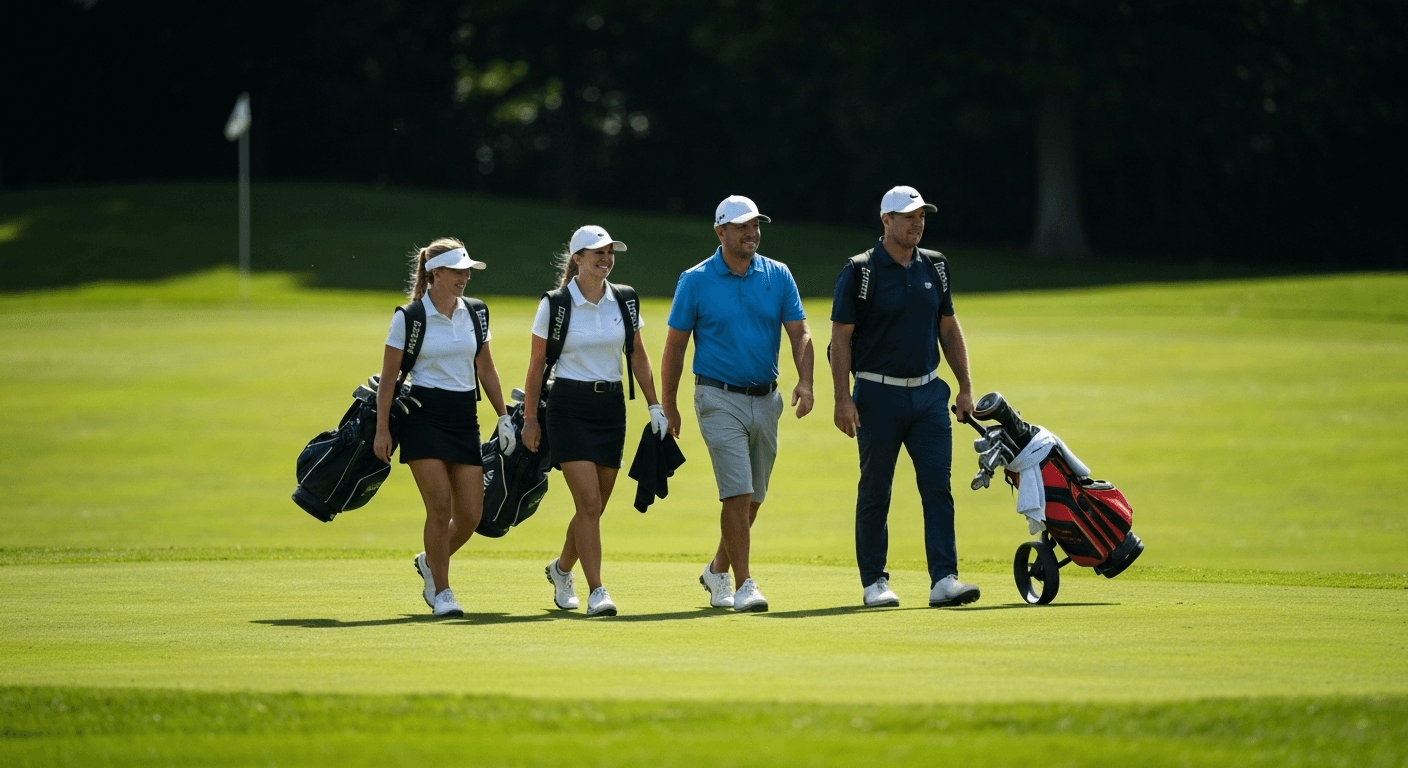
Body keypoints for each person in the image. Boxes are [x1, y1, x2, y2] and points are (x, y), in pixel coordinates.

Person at [829, 186, 981, 609]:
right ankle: (875, 581)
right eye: (908, 216)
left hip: (929, 395)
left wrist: (965, 385)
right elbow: (840, 339)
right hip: (876, 396)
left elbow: (948, 327)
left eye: (922, 216)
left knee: (938, 488)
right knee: (876, 490)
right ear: (886, 221)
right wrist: (843, 398)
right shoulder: (860, 271)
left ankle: (944, 579)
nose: (917, 223)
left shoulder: (936, 265)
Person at [660, 195, 814, 613]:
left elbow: (799, 332)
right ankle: (742, 583)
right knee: (737, 492)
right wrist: (668, 405)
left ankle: (715, 569)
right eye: (742, 226)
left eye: (755, 225)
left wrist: (806, 381)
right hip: (716, 396)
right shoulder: (695, 279)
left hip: (767, 400)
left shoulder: (778, 274)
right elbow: (675, 346)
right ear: (720, 232)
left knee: (754, 498)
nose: (752, 233)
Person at [522, 225, 668, 617]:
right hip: (568, 405)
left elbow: (637, 354)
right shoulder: (554, 304)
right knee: (587, 501)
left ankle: (561, 569)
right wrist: (530, 420)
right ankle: (597, 590)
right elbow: (537, 365)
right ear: (578, 259)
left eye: (609, 253)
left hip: (611, 407)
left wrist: (655, 405)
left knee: (596, 505)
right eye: (597, 253)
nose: (605, 259)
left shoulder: (624, 299)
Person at [373, 238, 513, 617]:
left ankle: (430, 562)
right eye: (457, 271)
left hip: (464, 417)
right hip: (422, 416)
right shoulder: (410, 316)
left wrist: (503, 416)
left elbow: (486, 368)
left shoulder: (477, 313)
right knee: (439, 507)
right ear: (435, 274)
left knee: (470, 513)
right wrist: (382, 430)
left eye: (467, 271)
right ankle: (444, 591)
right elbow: (388, 379)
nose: (464, 277)